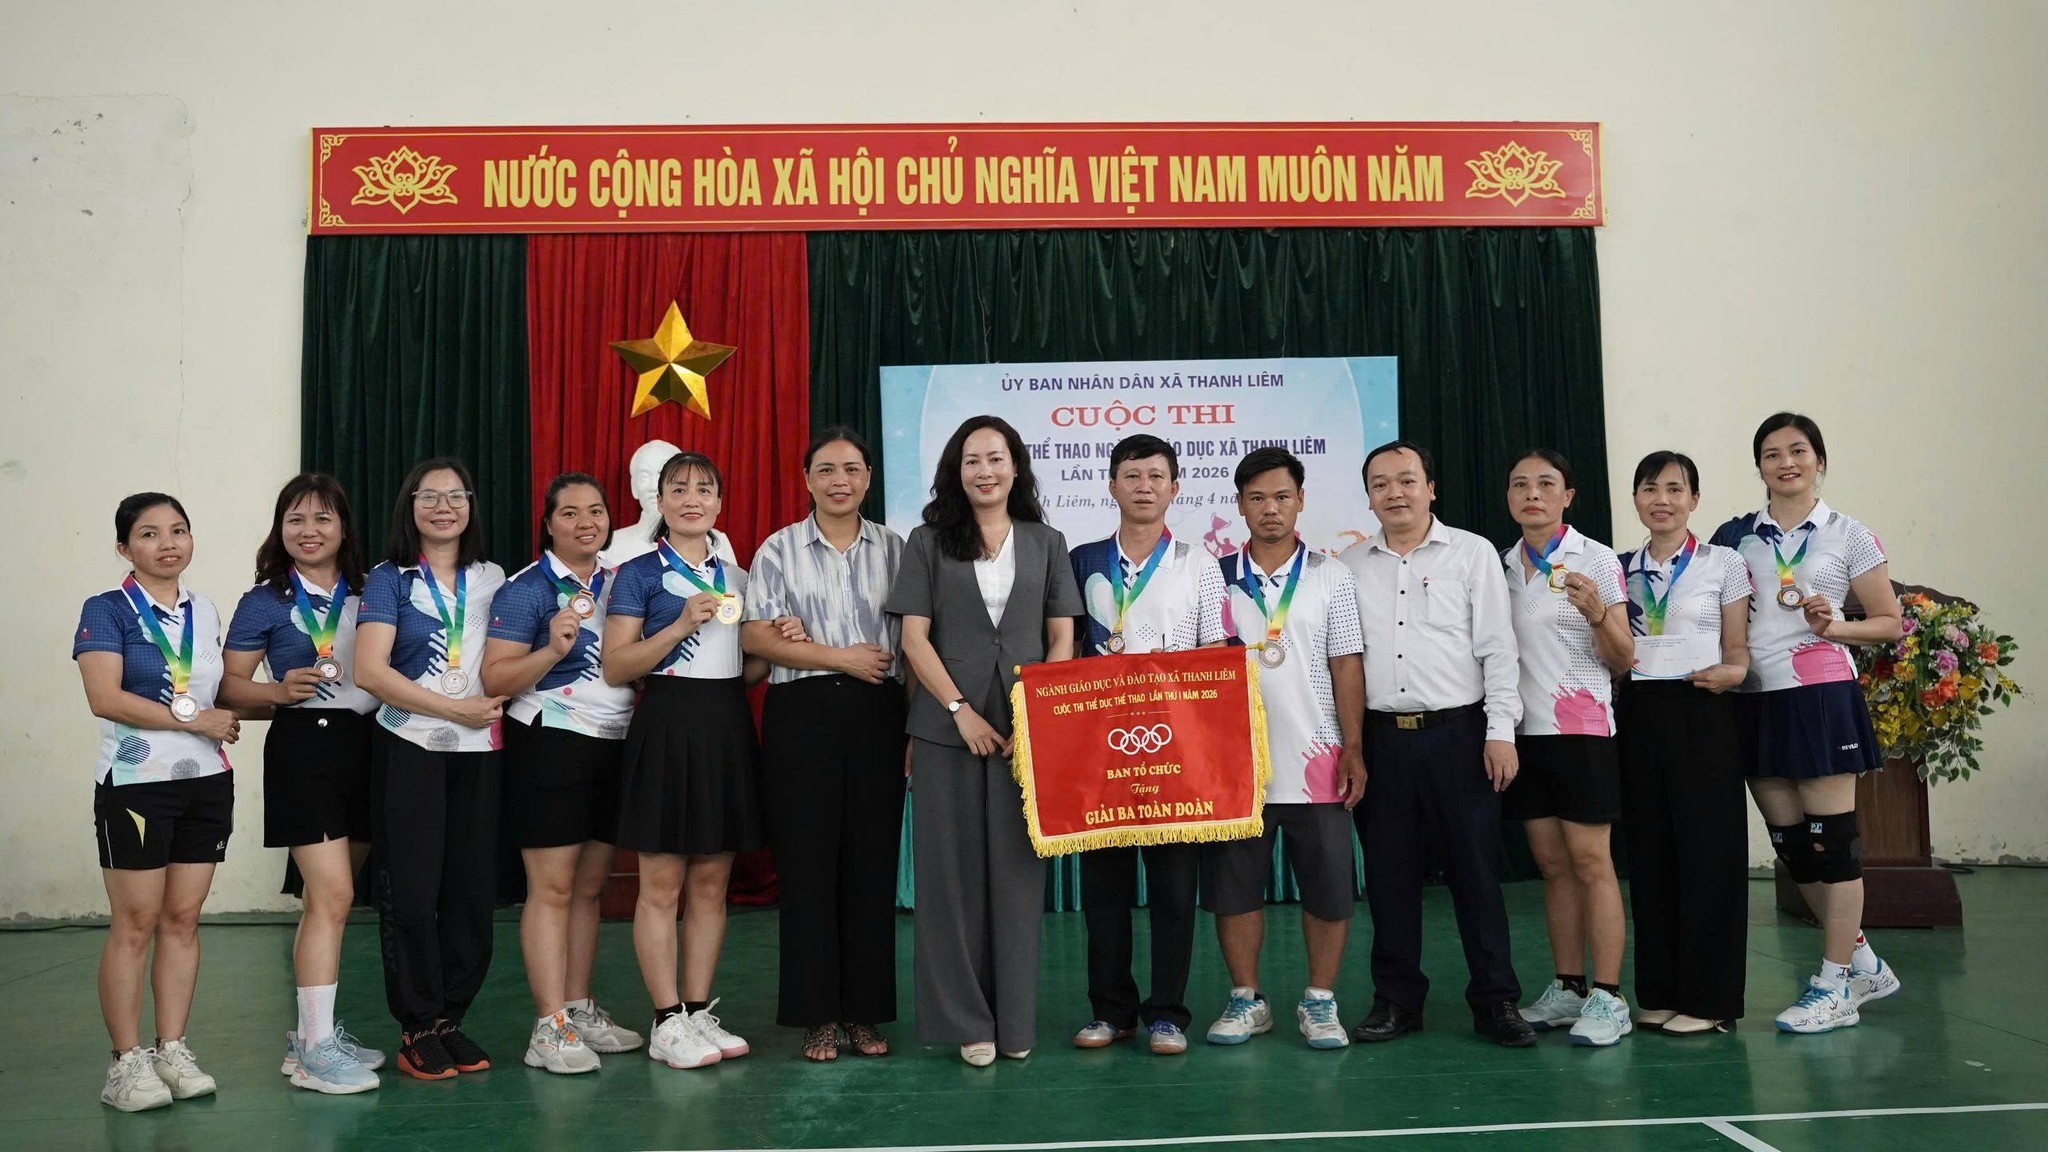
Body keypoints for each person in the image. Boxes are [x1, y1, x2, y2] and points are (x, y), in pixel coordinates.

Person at [884, 414, 1082, 1067]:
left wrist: (1038, 714)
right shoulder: (927, 541)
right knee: (950, 880)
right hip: (947, 730)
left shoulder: (1047, 541)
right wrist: (959, 711)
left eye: (996, 458)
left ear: (1015, 467)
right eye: (972, 460)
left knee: (1019, 878)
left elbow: (1061, 636)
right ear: (956, 472)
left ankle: (1014, 1022)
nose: (985, 470)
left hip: (1026, 731)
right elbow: (914, 640)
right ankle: (967, 1022)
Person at [1710, 412, 1903, 1034]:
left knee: (1833, 845)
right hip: (1756, 697)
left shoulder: (1850, 534)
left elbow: (1890, 622)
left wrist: (1835, 626)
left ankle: (1834, 985)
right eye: (1771, 453)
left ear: (1819, 459)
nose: (1785, 462)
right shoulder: (1734, 536)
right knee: (1792, 847)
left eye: (1797, 450)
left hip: (1822, 697)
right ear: (1759, 466)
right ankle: (1862, 961)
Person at [1340, 441, 1534, 1048]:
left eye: (1406, 480)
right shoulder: (1348, 565)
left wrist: (1500, 732)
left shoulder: (1473, 554)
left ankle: (1497, 1001)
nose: (1394, 493)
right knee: (1389, 877)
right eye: (1380, 484)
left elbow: (1499, 648)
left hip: (1460, 736)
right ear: (1368, 497)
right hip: (1382, 741)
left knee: (1476, 874)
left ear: (1431, 488)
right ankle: (1397, 1000)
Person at [741, 428, 909, 1062]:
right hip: (801, 717)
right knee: (807, 866)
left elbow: (915, 641)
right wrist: (837, 656)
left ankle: (865, 1014)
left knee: (871, 865)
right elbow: (756, 639)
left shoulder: (896, 548)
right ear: (806, 478)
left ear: (868, 477)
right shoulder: (778, 548)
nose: (841, 481)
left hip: (879, 714)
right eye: (827, 470)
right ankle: (816, 1016)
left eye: (853, 469)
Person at [218, 474, 384, 1093]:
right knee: (334, 894)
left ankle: (308, 1038)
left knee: (326, 901)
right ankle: (317, 1052)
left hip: (370, 746)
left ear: (343, 527)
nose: (308, 531)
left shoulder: (373, 590)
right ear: (279, 529)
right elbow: (228, 687)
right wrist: (276, 690)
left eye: (321, 519)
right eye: (295, 519)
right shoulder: (263, 600)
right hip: (303, 748)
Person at [74, 493, 239, 1111]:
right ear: (124, 547)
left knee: (183, 918)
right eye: (148, 534)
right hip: (136, 785)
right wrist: (196, 719)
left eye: (178, 530)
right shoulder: (106, 609)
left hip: (207, 782)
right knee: (136, 922)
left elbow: (220, 689)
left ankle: (171, 1049)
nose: (167, 543)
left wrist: (277, 694)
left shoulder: (205, 608)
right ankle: (126, 1062)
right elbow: (105, 697)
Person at [1067, 434, 1230, 1057]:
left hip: (1174, 750)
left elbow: (1216, 656)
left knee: (1173, 889)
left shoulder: (1199, 563)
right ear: (1111, 485)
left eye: (1156, 476)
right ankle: (1111, 1010)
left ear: (1174, 488)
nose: (1143, 486)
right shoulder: (1082, 560)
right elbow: (1063, 650)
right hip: (1100, 752)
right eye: (1131, 475)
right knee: (1103, 889)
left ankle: (1167, 1013)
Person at [1200, 447, 1366, 1052]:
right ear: (1240, 505)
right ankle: (1247, 998)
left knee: (1328, 887)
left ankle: (1320, 999)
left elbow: (1346, 663)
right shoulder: (1210, 576)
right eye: (1257, 498)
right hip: (1233, 765)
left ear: (1300, 501)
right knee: (1233, 888)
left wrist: (1354, 746)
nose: (1270, 509)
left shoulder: (1331, 575)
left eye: (1281, 497)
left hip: (1317, 758)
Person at [603, 451, 766, 1071]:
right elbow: (617, 665)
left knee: (711, 882)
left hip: (725, 723)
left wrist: (774, 647)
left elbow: (745, 668)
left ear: (720, 502)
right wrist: (676, 625)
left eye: (703, 489)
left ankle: (697, 1011)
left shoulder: (740, 576)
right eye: (678, 489)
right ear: (660, 502)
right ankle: (665, 1019)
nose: (691, 499)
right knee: (662, 883)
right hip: (666, 723)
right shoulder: (637, 573)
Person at [480, 472, 643, 1075]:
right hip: (550, 740)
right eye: (569, 513)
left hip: (614, 742)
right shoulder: (525, 589)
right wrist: (551, 650)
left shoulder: (623, 581)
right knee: (550, 888)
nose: (585, 522)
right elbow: (494, 679)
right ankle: (548, 1026)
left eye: (595, 511)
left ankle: (577, 1007)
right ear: (548, 524)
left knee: (590, 888)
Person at [352, 457, 509, 1080]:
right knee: (413, 894)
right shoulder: (388, 579)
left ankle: (450, 1019)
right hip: (410, 745)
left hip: (479, 753)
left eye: (456, 495)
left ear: (471, 505)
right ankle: (417, 1023)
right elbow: (370, 671)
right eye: (430, 496)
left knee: (470, 893)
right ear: (409, 506)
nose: (444, 507)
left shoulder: (494, 577)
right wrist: (452, 708)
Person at [1497, 451, 1635, 1047]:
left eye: (1545, 484)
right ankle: (1569, 986)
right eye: (1520, 484)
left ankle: (1609, 996)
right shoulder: (1500, 564)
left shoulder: (1596, 558)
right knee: (1552, 865)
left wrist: (1599, 614)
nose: (1532, 494)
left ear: (1568, 496)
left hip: (1581, 730)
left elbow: (1624, 658)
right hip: (1523, 734)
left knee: (1590, 863)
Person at [1616, 451, 1754, 1035]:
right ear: (1636, 499)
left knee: (1709, 854)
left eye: (1675, 489)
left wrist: (1732, 674)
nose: (1662, 500)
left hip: (1704, 709)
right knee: (1650, 855)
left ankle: (1710, 999)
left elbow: (1738, 651)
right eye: (1650, 488)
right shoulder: (1618, 568)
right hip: (1640, 715)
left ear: (1694, 499)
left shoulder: (1723, 563)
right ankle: (1659, 989)